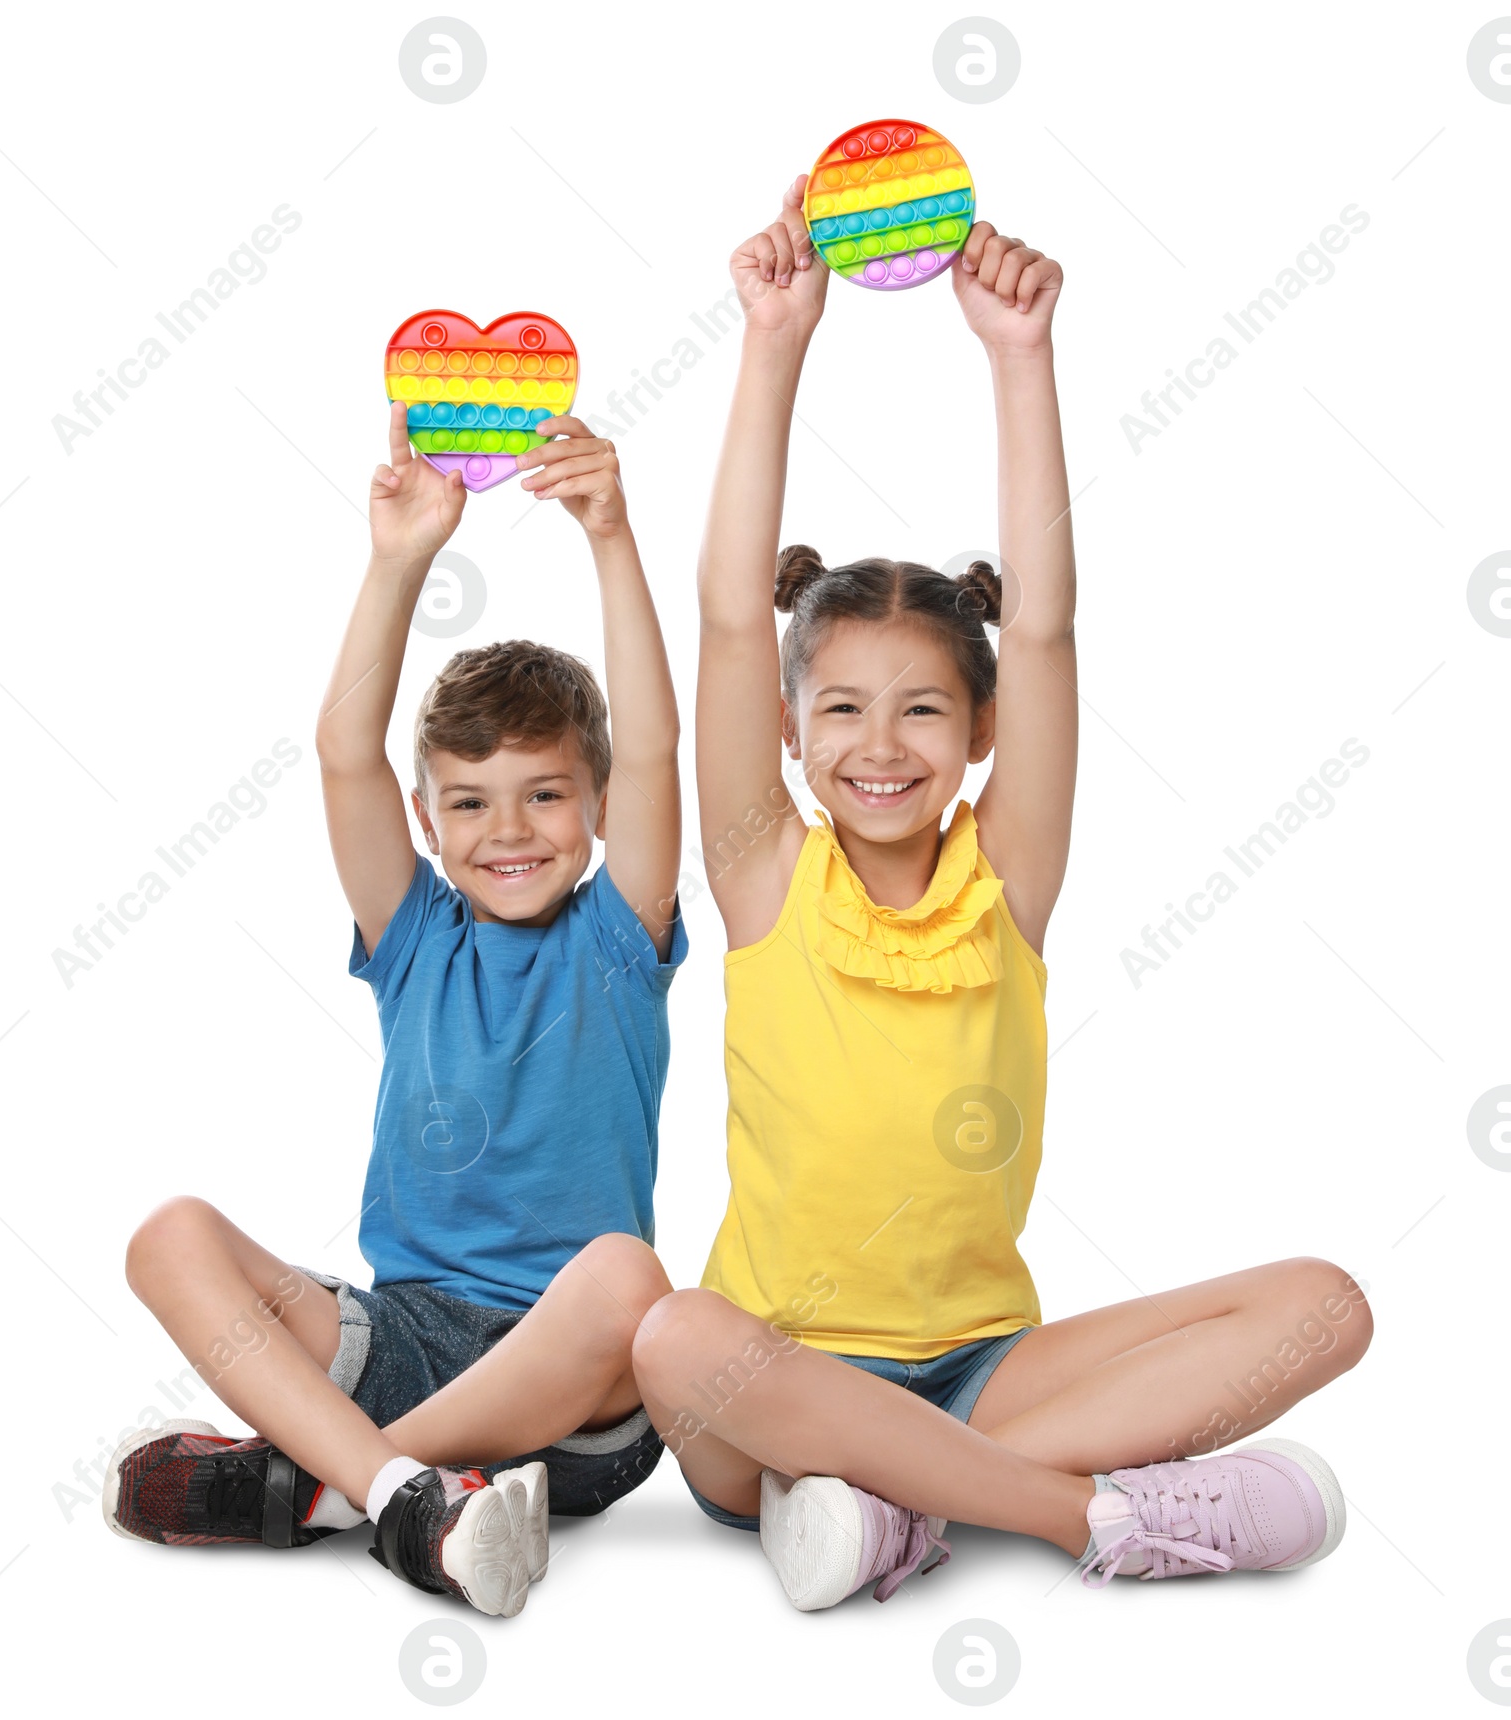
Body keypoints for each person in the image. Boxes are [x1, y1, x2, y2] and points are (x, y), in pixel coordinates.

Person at [630, 181, 1372, 1610]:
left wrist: (1019, 357)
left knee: (1326, 1307)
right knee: (668, 1335)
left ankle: (892, 1509)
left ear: (980, 734)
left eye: (922, 710)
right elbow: (730, 621)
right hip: (770, 1383)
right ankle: (1080, 1514)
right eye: (840, 709)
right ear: (793, 733)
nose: (879, 746)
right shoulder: (764, 873)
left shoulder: (1007, 877)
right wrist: (776, 344)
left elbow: (1043, 626)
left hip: (985, 1367)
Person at [105, 405, 687, 1618]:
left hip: (576, 1400)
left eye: (544, 796)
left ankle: (320, 1488)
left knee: (632, 1280)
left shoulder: (617, 939)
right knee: (169, 1235)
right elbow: (340, 750)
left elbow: (657, 742)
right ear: (428, 823)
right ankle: (404, 1495)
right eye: (469, 804)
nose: (510, 830)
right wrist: (402, 554)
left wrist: (610, 534)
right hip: (403, 1340)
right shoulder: (414, 932)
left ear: (597, 804)